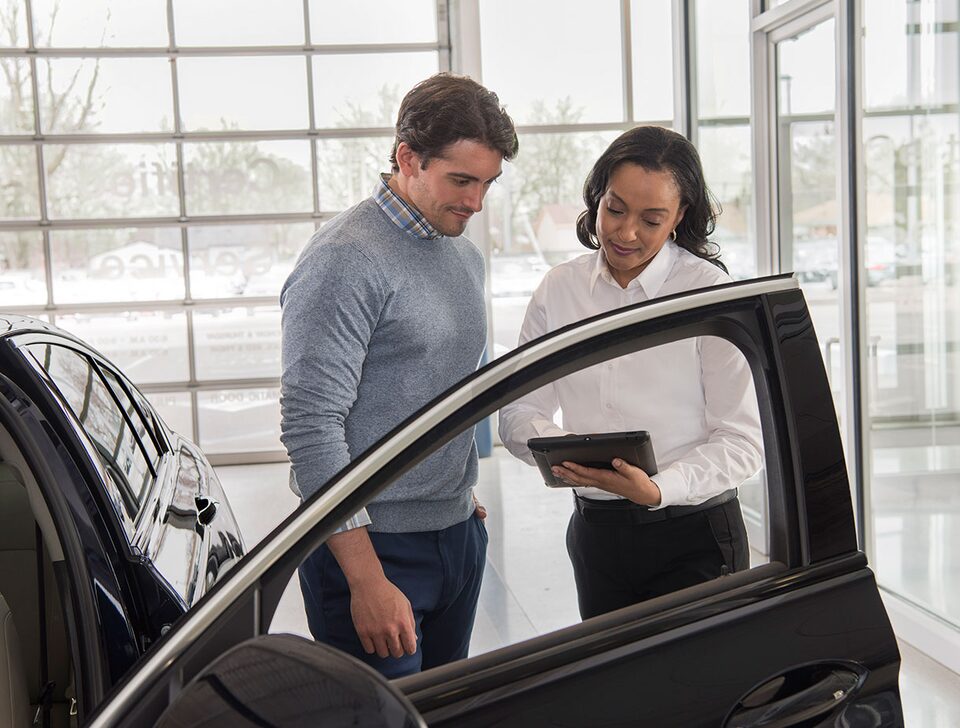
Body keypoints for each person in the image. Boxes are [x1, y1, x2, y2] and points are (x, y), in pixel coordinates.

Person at [280, 73, 518, 678]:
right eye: (461, 180)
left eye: (487, 183)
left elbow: (444, 387)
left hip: (456, 533)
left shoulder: (462, 252)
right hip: (370, 551)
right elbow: (311, 424)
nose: (475, 202)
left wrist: (455, 491)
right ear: (408, 158)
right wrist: (365, 578)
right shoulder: (344, 258)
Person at [498, 125, 763, 620]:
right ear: (596, 196)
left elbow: (743, 442)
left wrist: (658, 489)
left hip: (695, 534)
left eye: (651, 219)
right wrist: (557, 451)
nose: (625, 232)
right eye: (614, 209)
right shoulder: (560, 291)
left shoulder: (709, 294)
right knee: (613, 693)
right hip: (597, 535)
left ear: (680, 217)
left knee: (694, 694)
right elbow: (519, 408)